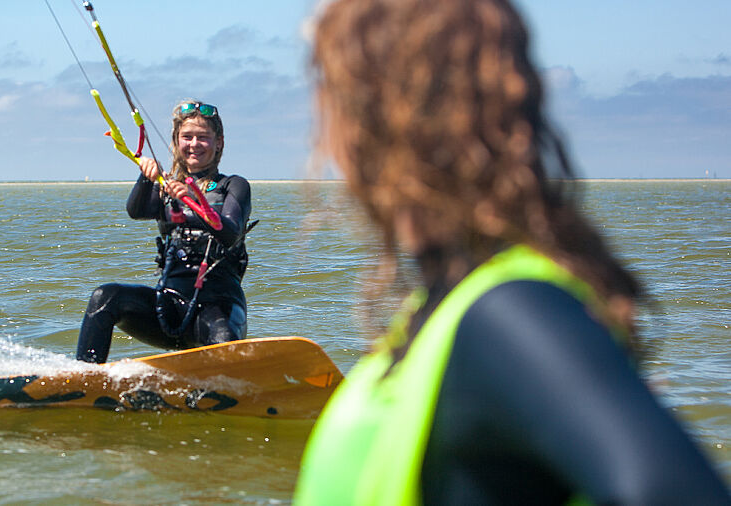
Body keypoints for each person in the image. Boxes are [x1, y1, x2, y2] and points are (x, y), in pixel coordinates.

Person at [295, 0, 731, 504]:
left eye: (329, 93)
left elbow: (670, 491)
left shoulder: (506, 313)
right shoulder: (432, 317)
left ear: (376, 113)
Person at [75, 100, 253, 364]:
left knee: (223, 338)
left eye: (203, 137)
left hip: (219, 308)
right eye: (187, 137)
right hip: (168, 307)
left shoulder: (234, 186)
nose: (194, 144)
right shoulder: (166, 186)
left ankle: (224, 386)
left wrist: (192, 207)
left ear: (219, 142)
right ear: (176, 140)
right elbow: (136, 211)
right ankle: (85, 377)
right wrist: (147, 177)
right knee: (105, 297)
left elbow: (230, 230)